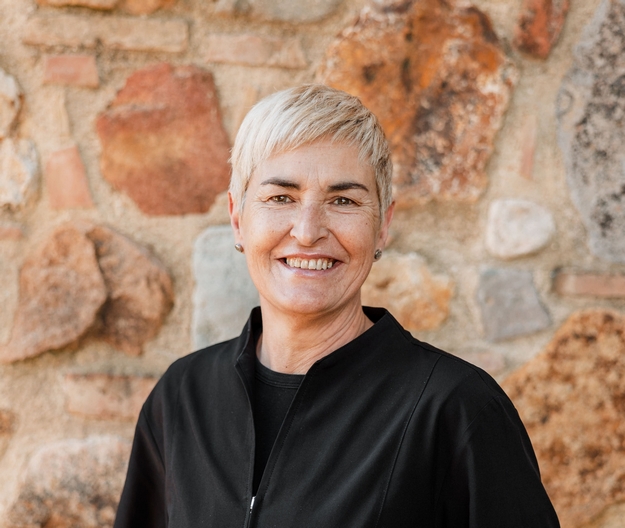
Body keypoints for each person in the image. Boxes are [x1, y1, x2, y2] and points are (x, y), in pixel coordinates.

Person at [114, 84, 560, 527]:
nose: (308, 231)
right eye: (281, 197)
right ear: (237, 219)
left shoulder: (456, 409)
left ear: (382, 226)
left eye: (343, 200)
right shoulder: (182, 398)